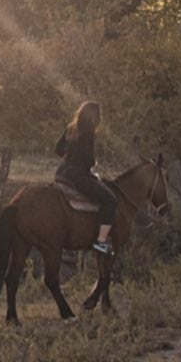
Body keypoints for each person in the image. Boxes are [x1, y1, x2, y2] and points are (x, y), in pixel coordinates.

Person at [54, 99, 116, 255]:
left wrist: (70, 155)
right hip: (78, 176)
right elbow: (89, 160)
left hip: (62, 173)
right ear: (94, 117)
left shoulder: (70, 129)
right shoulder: (88, 133)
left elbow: (58, 150)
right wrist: (93, 163)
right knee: (110, 200)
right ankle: (101, 241)